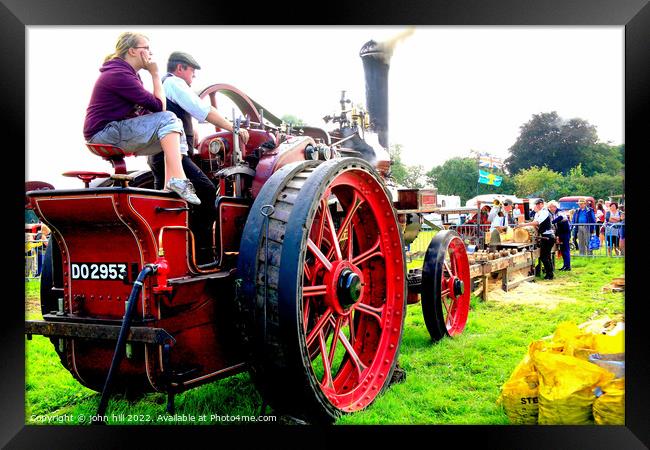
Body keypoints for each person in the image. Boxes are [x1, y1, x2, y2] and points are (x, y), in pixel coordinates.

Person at [147, 51, 250, 263]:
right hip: (172, 156)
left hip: (158, 155)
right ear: (180, 68)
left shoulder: (163, 85)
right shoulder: (175, 83)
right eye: (192, 72)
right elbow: (202, 109)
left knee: (165, 203)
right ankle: (201, 256)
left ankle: (172, 254)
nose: (193, 77)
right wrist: (233, 129)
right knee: (206, 193)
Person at [83, 32, 200, 205]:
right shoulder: (118, 74)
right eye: (146, 48)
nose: (150, 53)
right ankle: (179, 181)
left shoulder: (128, 74)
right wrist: (155, 74)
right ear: (132, 51)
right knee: (168, 119)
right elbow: (160, 107)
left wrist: (178, 128)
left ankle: (171, 184)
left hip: (112, 130)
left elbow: (151, 112)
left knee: (174, 128)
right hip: (103, 133)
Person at [517, 198, 555, 280]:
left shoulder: (544, 212)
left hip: (548, 237)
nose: (537, 206)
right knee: (546, 256)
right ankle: (550, 273)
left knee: (544, 257)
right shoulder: (537, 214)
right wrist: (525, 225)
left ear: (542, 204)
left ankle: (550, 274)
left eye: (538, 204)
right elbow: (535, 225)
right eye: (536, 204)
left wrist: (523, 225)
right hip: (544, 236)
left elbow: (537, 223)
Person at [548, 201, 571, 271]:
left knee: (565, 250)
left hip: (565, 233)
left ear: (555, 207)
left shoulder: (560, 212)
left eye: (551, 207)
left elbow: (561, 217)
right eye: (549, 207)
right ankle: (565, 265)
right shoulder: (554, 213)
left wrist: (552, 222)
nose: (550, 208)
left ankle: (567, 266)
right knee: (563, 250)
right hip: (561, 233)